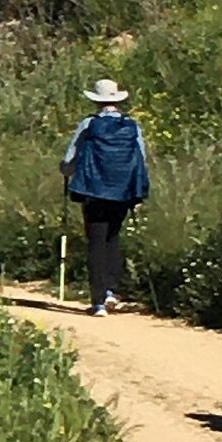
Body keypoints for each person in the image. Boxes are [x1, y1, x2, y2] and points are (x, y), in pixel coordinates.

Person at [63, 77, 150, 314]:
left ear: (96, 101)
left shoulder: (89, 124)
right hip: (123, 191)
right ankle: (111, 289)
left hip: (93, 191)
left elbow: (70, 158)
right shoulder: (131, 125)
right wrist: (137, 190)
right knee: (113, 237)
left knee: (96, 242)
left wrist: (66, 172)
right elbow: (141, 158)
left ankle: (98, 300)